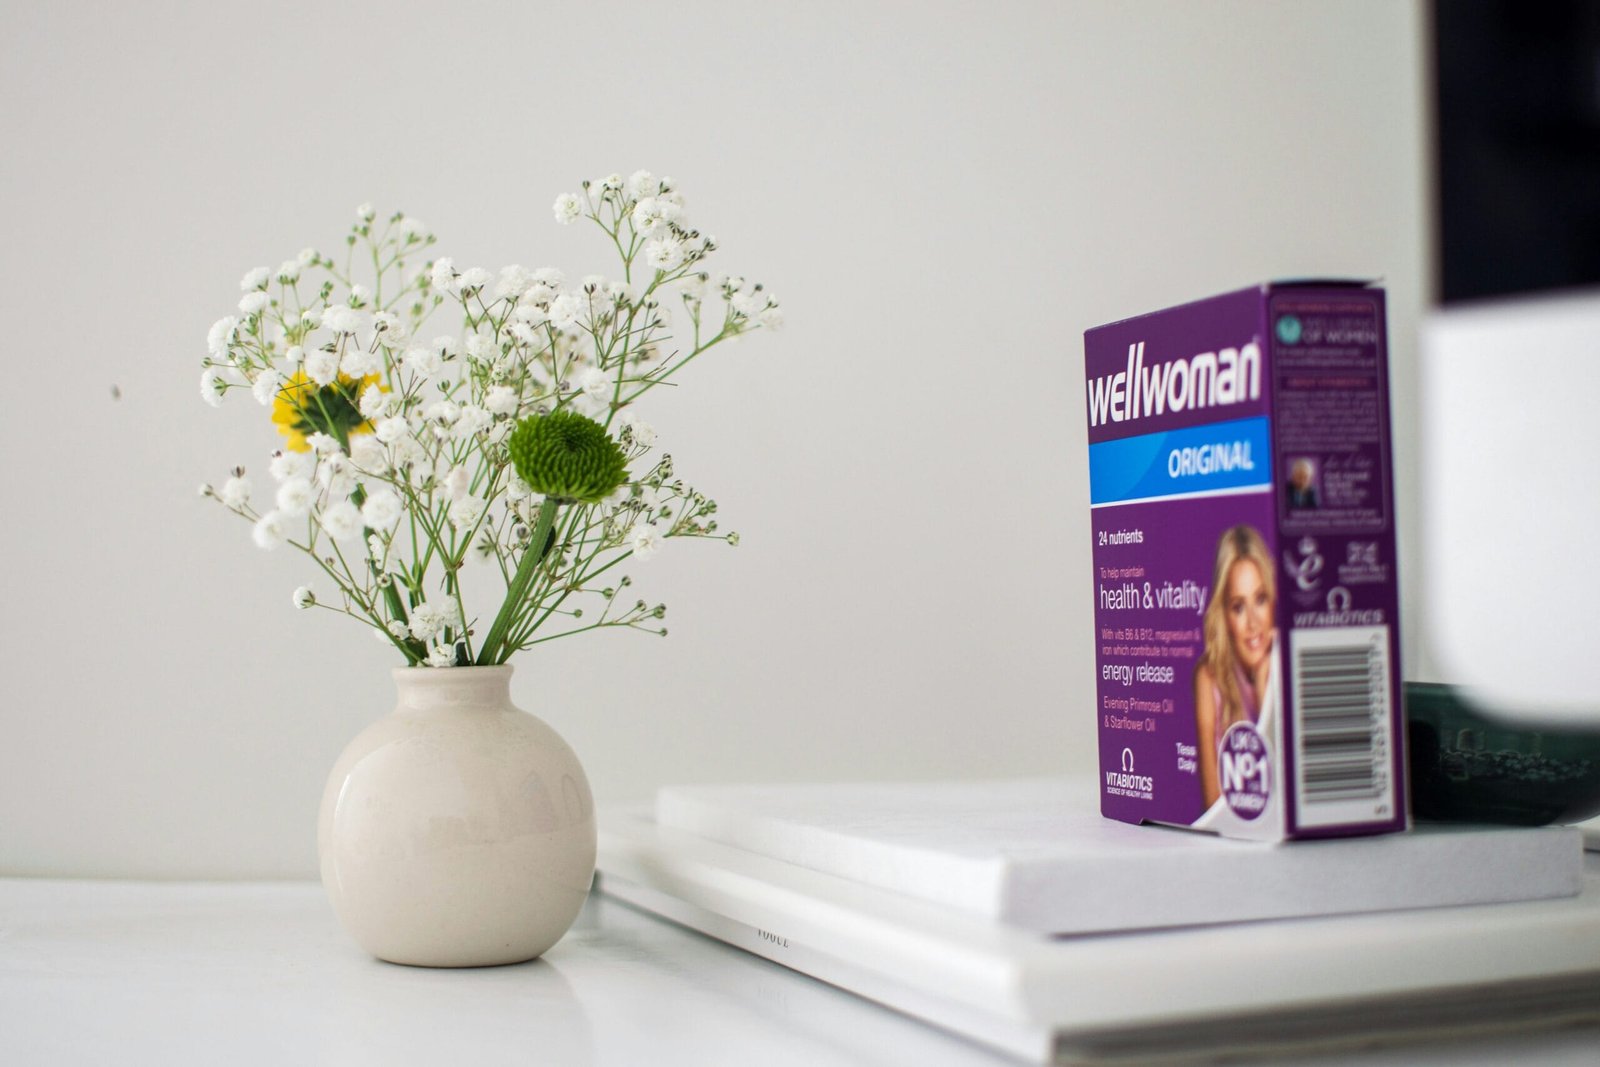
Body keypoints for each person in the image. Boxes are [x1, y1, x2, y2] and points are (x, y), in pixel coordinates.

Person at [1194, 525, 1277, 808]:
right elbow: (1213, 810)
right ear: (1224, 615)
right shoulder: (1209, 679)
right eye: (1239, 607)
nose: (1253, 623)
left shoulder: (1288, 666)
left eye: (1260, 600)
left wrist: (1266, 695)